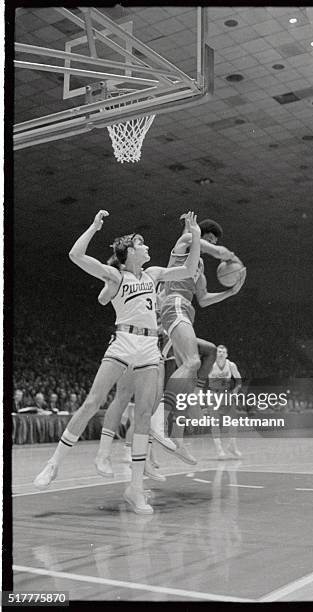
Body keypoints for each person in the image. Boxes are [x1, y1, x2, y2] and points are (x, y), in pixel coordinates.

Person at [34, 209, 201, 515]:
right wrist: (94, 227)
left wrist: (197, 235)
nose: (148, 247)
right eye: (142, 243)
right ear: (130, 252)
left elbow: (190, 270)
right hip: (123, 342)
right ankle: (54, 464)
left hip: (150, 346)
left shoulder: (154, 275)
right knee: (91, 402)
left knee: (143, 416)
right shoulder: (116, 276)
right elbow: (75, 254)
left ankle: (135, 490)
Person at [159, 216, 246, 461]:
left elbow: (205, 298)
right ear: (201, 234)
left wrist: (230, 292)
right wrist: (231, 257)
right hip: (173, 306)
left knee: (205, 354)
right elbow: (219, 252)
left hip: (186, 312)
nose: (208, 244)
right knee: (193, 362)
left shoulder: (199, 268)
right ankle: (162, 417)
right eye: (207, 239)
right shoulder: (186, 241)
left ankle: (177, 438)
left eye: (211, 241)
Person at [207, 345, 243, 459]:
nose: (221, 353)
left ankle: (232, 446)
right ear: (215, 354)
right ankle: (219, 450)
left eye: (223, 352)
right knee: (215, 423)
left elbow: (239, 381)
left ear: (226, 354)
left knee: (233, 422)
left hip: (226, 395)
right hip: (213, 395)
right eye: (218, 351)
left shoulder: (231, 365)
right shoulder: (210, 365)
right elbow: (200, 379)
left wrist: (235, 392)